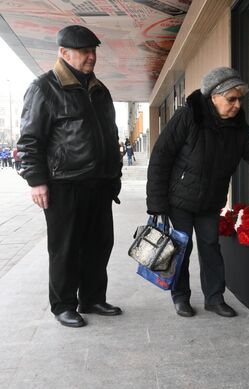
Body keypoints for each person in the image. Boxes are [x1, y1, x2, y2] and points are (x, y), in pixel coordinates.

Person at [147, 67, 249, 318]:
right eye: (232, 99)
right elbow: (160, 157)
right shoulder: (188, 116)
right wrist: (156, 202)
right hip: (179, 200)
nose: (237, 104)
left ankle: (214, 297)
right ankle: (180, 296)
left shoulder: (237, 127)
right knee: (181, 249)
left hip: (210, 200)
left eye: (239, 99)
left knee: (211, 246)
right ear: (214, 97)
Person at [16, 25, 122, 328]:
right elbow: (30, 140)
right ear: (64, 53)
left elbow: (110, 135)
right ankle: (63, 304)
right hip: (64, 185)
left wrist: (113, 176)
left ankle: (92, 298)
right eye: (84, 51)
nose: (92, 57)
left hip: (99, 184)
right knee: (65, 249)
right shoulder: (44, 88)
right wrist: (36, 180)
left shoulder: (100, 90)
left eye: (94, 51)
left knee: (99, 244)